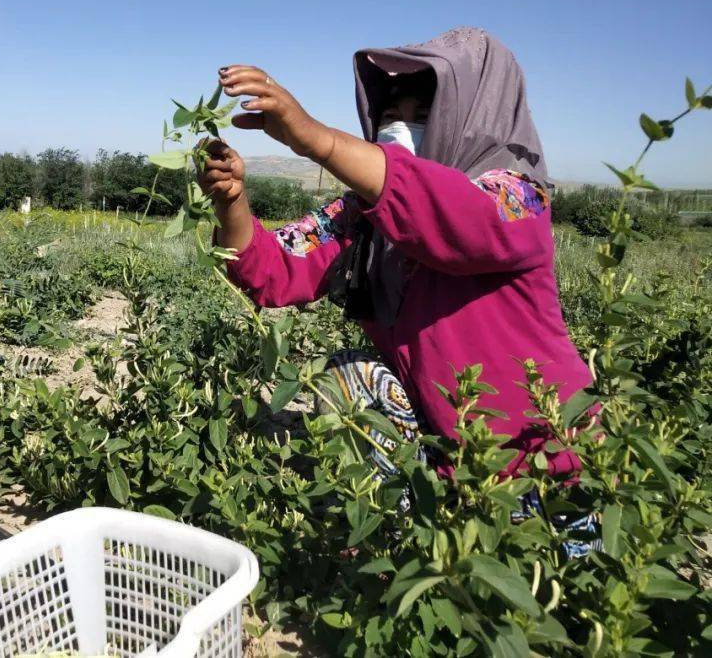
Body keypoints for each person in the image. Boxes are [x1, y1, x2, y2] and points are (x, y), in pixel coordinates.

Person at [199, 27, 598, 551]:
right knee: (352, 382)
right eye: (389, 115)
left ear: (472, 116)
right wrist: (231, 201)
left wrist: (313, 138)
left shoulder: (518, 200)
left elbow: (447, 217)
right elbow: (273, 270)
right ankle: (408, 542)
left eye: (420, 114)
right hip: (454, 466)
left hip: (545, 472)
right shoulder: (364, 215)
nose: (398, 128)